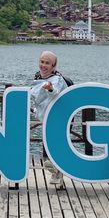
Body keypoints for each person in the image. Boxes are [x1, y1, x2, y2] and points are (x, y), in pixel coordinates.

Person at [29, 50, 68, 188]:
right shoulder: (38, 77)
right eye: (42, 62)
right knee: (49, 154)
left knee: (50, 154)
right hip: (46, 119)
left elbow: (55, 92)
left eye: (47, 63)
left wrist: (51, 89)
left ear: (53, 65)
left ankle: (58, 174)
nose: (43, 65)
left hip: (57, 120)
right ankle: (58, 175)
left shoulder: (57, 79)